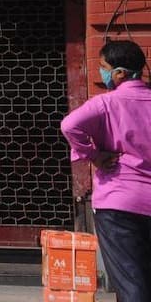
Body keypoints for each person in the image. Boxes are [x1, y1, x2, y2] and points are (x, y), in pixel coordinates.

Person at [61, 39, 151, 302]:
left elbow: (69, 125)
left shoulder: (106, 103)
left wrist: (94, 155)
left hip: (118, 203)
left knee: (131, 282)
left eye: (103, 67)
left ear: (119, 73)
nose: (102, 73)